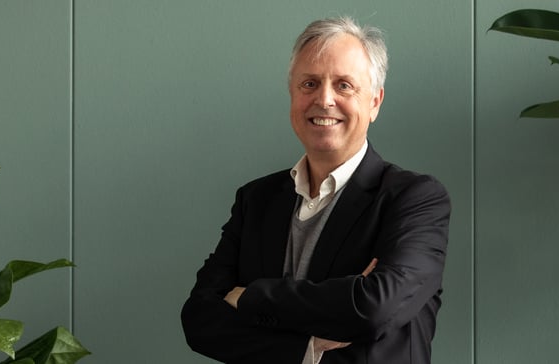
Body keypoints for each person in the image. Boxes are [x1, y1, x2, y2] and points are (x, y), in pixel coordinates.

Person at [181, 16, 451, 364]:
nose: (324, 100)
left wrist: (249, 297)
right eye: (309, 84)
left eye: (344, 85)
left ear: (374, 102)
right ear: (292, 94)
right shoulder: (256, 200)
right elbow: (199, 320)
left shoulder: (415, 199)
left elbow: (374, 308)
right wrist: (304, 347)